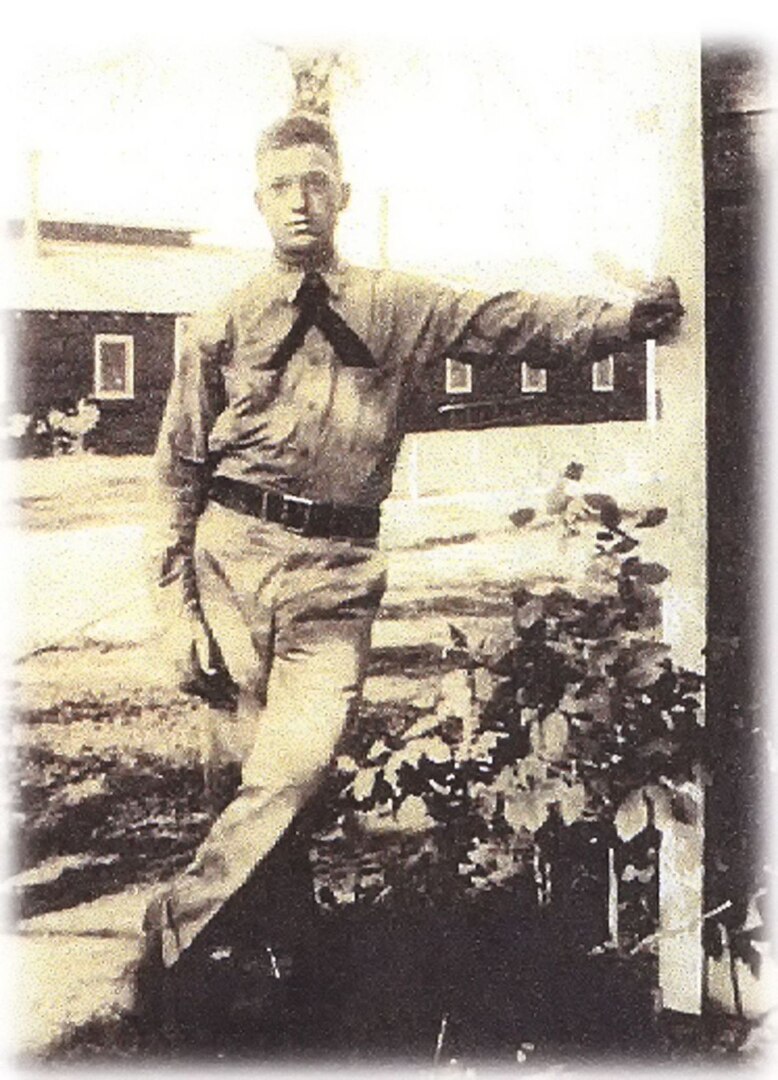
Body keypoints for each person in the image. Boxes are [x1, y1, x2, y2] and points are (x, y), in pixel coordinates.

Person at [137, 110, 683, 1010]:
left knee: (295, 769)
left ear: (343, 195)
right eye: (282, 186)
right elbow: (176, 472)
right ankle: (272, 973)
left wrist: (621, 320)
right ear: (257, 201)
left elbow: (509, 320)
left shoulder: (399, 304)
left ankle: (169, 938)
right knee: (244, 781)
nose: (301, 202)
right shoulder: (220, 322)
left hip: (334, 577)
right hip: (229, 561)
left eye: (317, 182)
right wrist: (175, 608)